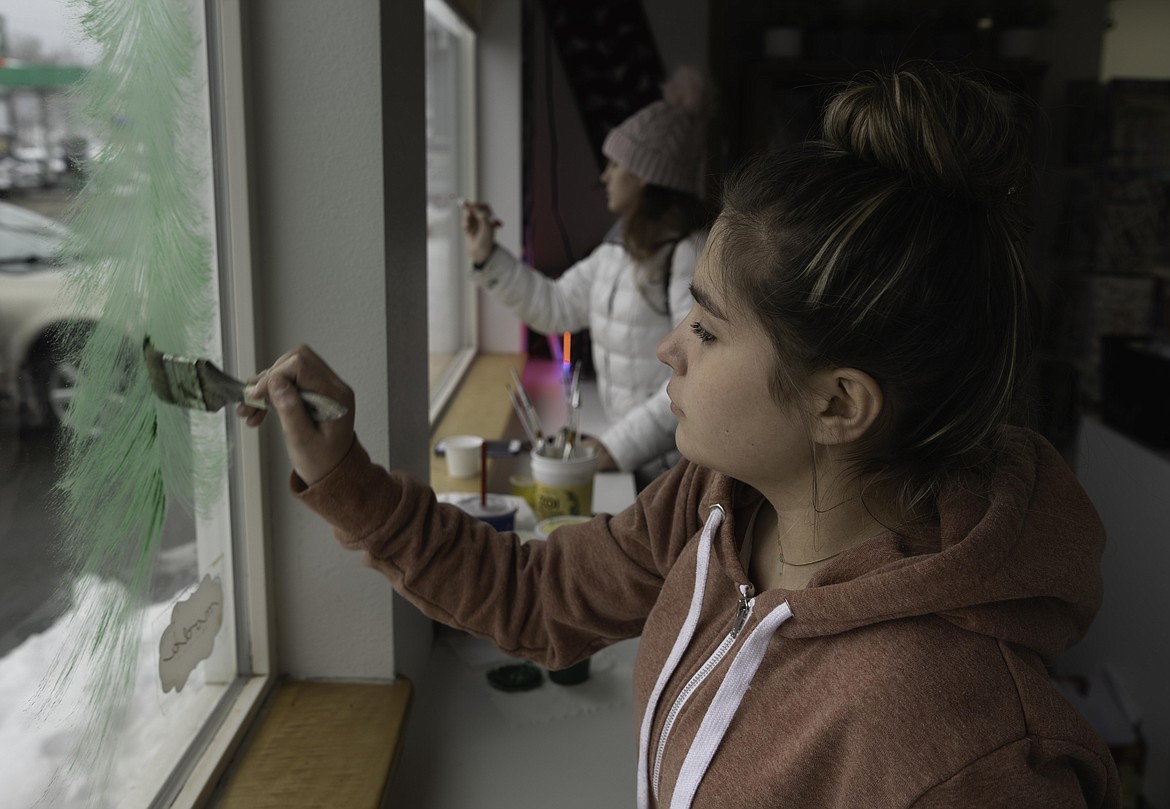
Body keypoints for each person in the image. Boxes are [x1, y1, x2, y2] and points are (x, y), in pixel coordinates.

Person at [242, 63, 1120, 807]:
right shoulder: (716, 507)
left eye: (704, 328)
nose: (671, 347)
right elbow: (535, 594)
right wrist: (344, 476)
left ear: (838, 404)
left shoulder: (967, 753)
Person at [463, 65, 713, 489]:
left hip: (677, 468)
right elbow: (555, 308)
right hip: (642, 464)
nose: (604, 176)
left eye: (614, 164)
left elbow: (694, 371)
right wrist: (487, 256)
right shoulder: (619, 247)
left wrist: (616, 446)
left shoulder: (689, 253)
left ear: (645, 174)